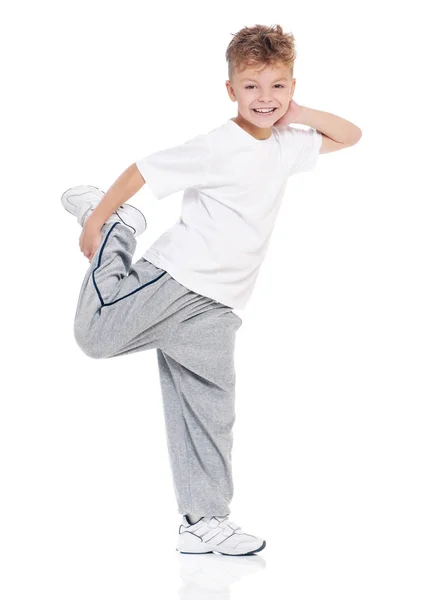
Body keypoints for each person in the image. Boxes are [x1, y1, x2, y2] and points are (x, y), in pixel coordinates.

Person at [60, 24, 361, 556]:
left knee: (210, 411)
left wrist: (302, 114)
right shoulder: (216, 147)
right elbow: (141, 171)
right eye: (251, 86)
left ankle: (205, 521)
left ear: (292, 87)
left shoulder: (288, 145)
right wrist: (99, 218)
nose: (264, 99)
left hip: (222, 306)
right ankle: (118, 232)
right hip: (179, 280)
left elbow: (350, 135)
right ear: (230, 91)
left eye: (277, 87)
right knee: (94, 336)